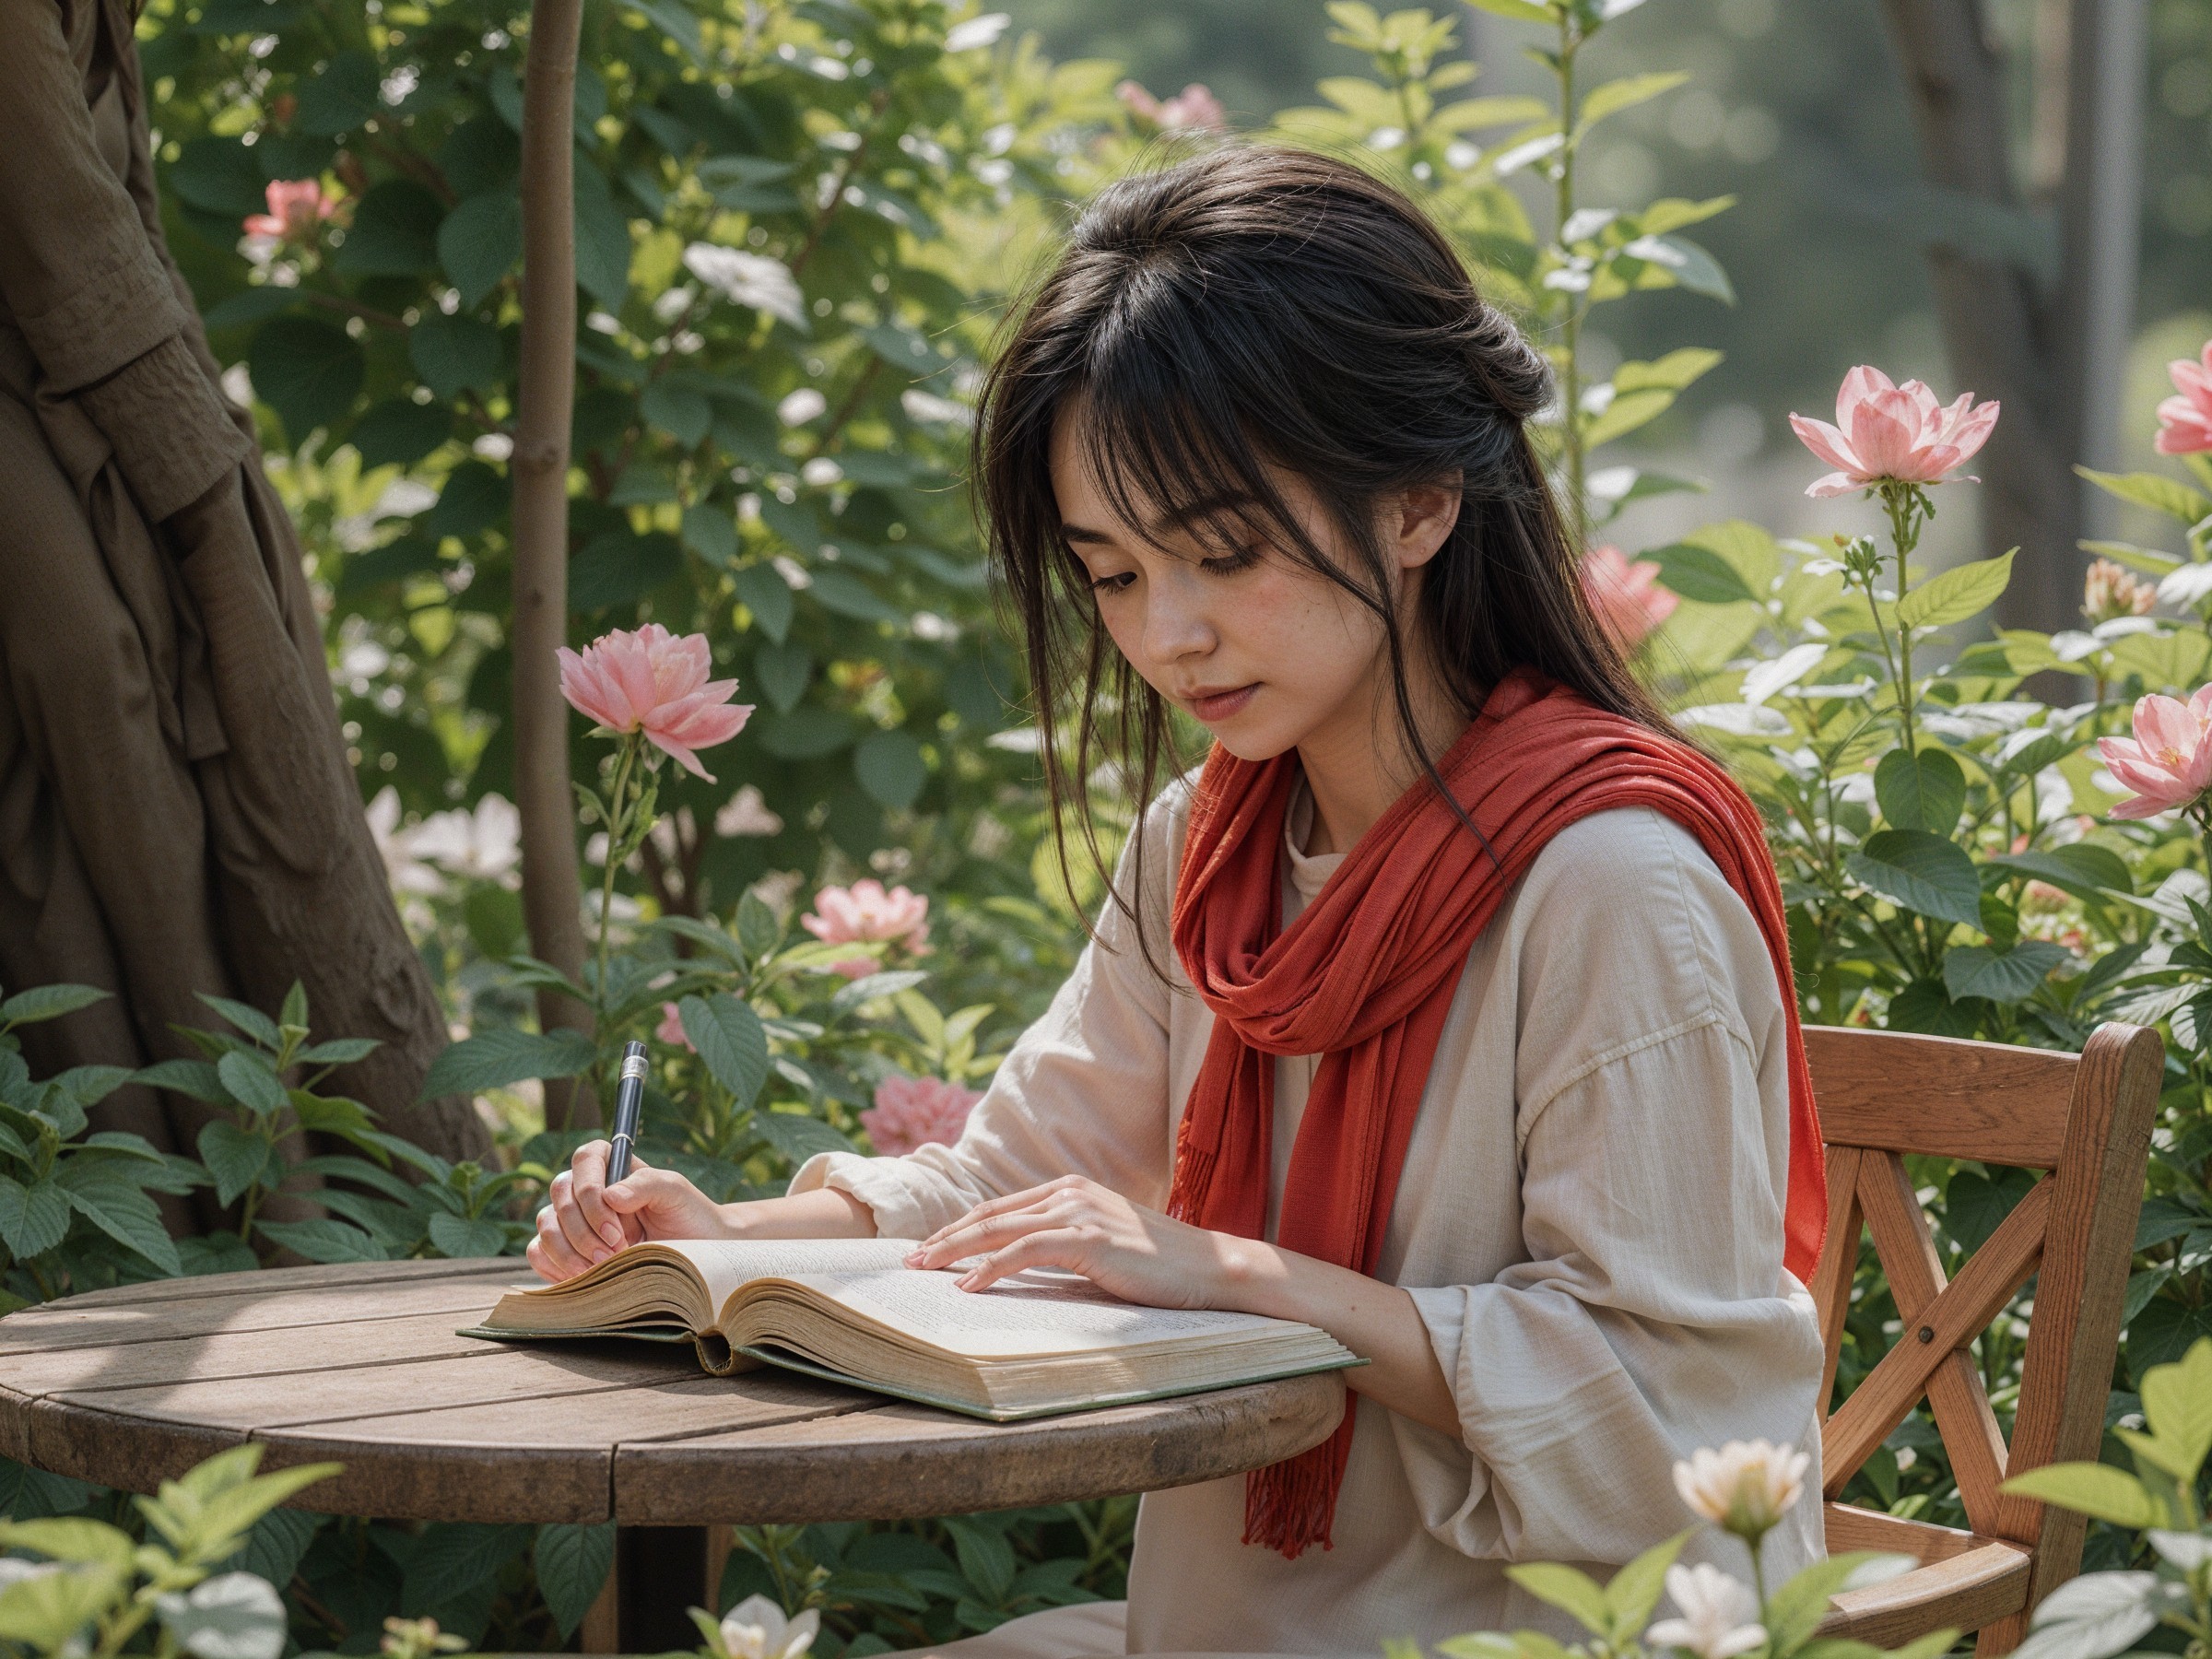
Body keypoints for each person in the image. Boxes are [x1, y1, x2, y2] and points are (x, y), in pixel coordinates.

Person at [533, 146, 1829, 1657]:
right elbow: (1015, 1180)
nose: (1171, 636)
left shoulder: (1609, 885)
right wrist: (723, 1237)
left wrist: (1240, 1278)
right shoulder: (1204, 850)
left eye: (1222, 553)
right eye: (1113, 573)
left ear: (1418, 503)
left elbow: (1666, 1419)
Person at [0, 0, 483, 1185]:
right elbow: (55, 203)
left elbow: (120, 197)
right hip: (64, 381)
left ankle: (278, 1185)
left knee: (177, 706)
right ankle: (137, 1183)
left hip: (99, 371)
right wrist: (186, 458)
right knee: (91, 686)